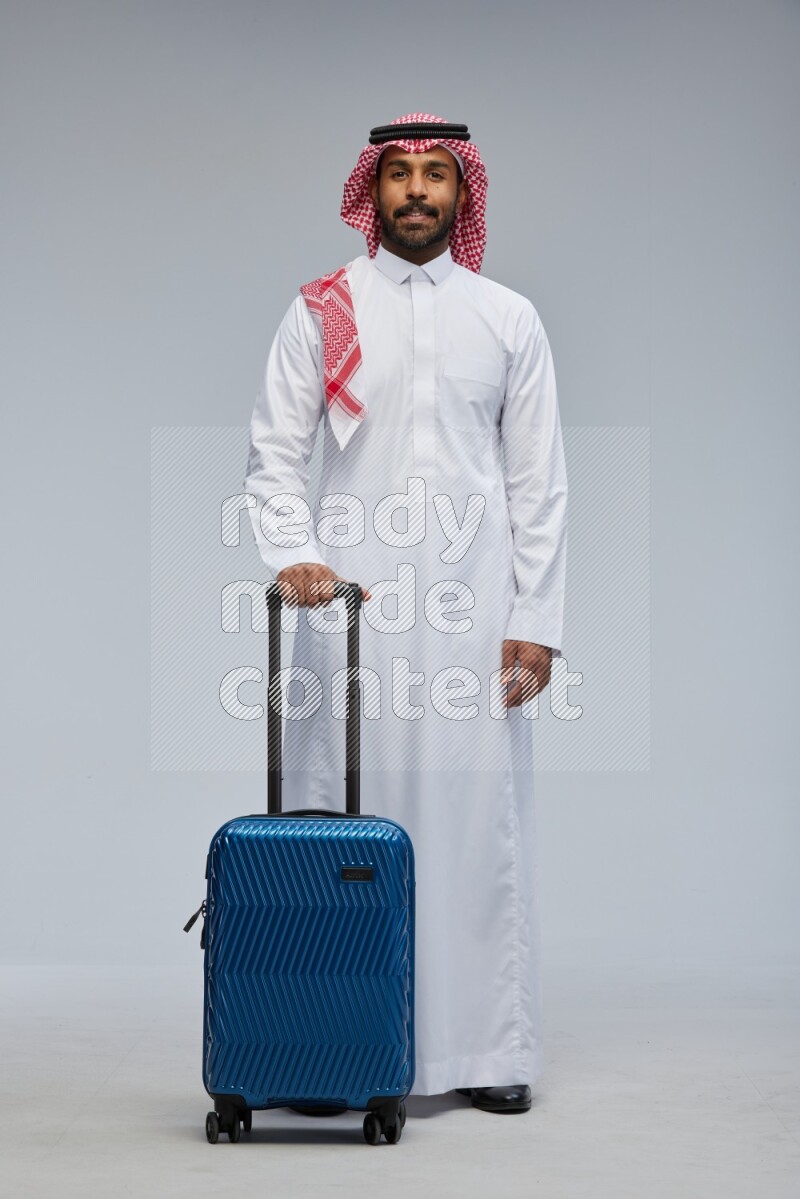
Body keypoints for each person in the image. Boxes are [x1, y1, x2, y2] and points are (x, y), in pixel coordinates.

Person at [243, 113, 568, 1114]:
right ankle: (330, 1047)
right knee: (332, 823)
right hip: (349, 618)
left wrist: (536, 619)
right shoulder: (323, 308)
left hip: (474, 622)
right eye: (399, 175)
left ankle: (483, 1048)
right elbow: (272, 451)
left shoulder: (507, 316)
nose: (416, 191)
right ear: (370, 193)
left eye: (436, 175)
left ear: (462, 194)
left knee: (476, 828)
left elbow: (539, 483)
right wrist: (296, 554)